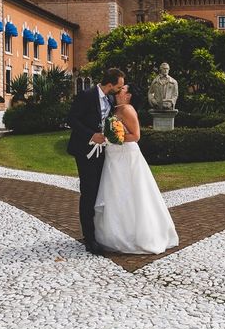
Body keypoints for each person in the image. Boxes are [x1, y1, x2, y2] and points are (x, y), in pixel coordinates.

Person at [94, 85, 179, 254]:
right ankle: (113, 233)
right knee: (115, 193)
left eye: (123, 89)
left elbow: (136, 135)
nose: (119, 90)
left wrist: (114, 138)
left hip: (126, 156)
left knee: (130, 192)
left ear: (129, 95)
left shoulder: (127, 109)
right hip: (114, 156)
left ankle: (137, 235)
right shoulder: (115, 108)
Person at [67, 68, 126, 256]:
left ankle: (100, 232)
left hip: (103, 152)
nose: (119, 89)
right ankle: (89, 238)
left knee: (102, 190)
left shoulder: (110, 99)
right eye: (118, 85)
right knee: (89, 192)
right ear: (110, 84)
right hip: (85, 151)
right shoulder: (86, 95)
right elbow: (72, 119)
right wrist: (91, 135)